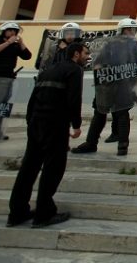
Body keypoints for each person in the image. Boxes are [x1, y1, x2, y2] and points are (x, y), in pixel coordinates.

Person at [7, 42, 88, 228]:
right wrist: (76, 124)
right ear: (76, 54)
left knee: (28, 167)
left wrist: (31, 121)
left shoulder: (49, 70)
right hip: (55, 123)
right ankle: (44, 213)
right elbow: (74, 98)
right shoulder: (75, 70)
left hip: (36, 122)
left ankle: (17, 212)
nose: (87, 56)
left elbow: (33, 96)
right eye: (85, 53)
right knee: (53, 168)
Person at [72, 18, 137, 156]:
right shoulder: (110, 44)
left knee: (122, 114)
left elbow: (136, 60)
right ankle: (91, 143)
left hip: (124, 84)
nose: (132, 32)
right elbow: (98, 62)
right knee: (99, 113)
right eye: (129, 29)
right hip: (107, 83)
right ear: (122, 30)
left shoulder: (136, 45)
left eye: (133, 30)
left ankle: (123, 145)